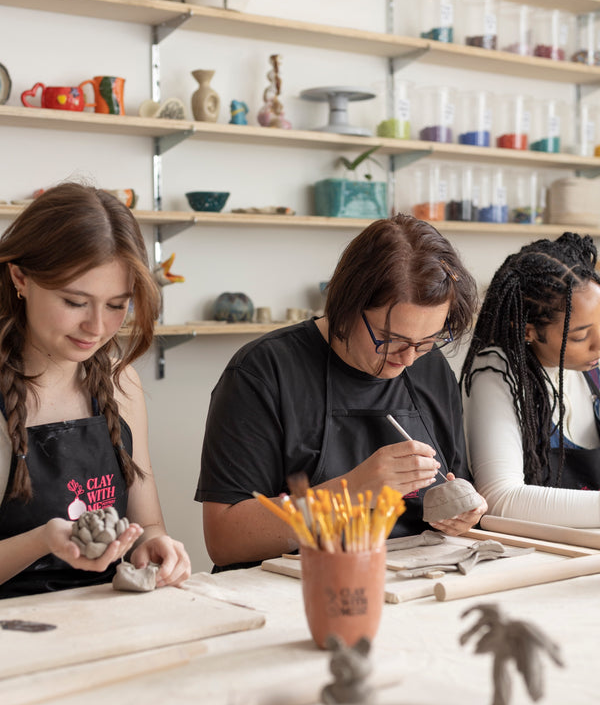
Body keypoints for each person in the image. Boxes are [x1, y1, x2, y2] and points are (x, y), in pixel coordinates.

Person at [197, 212, 487, 570]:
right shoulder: (263, 372)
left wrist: (458, 515)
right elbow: (226, 540)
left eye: (427, 341)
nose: (409, 359)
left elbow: (453, 484)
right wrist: (352, 492)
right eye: (390, 339)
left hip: (410, 579)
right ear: (348, 305)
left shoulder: (431, 367)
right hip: (293, 593)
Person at [0, 182, 191, 598]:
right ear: (20, 277)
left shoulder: (121, 384)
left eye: (116, 304)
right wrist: (43, 541)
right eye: (74, 302)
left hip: (104, 619)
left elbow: (147, 523)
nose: (98, 328)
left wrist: (154, 545)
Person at [461, 231, 600, 527]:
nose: (598, 345)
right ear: (527, 330)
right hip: (538, 556)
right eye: (580, 336)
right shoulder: (497, 372)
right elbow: (501, 497)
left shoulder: (594, 367)